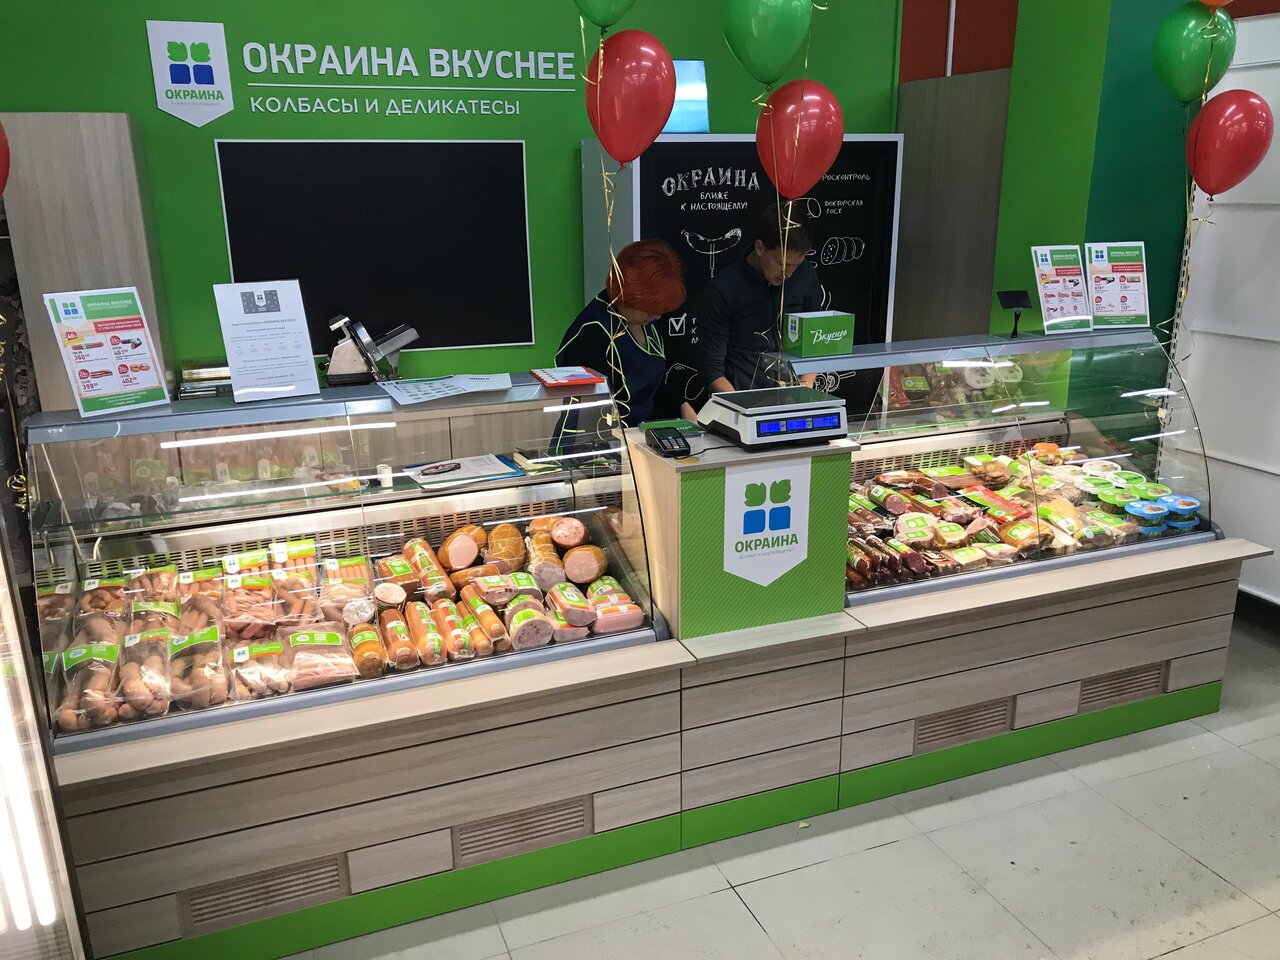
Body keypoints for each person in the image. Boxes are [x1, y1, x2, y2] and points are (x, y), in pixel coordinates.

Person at [555, 240, 695, 427]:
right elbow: (592, 414)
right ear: (627, 295)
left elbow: (653, 383)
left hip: (640, 429)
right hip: (603, 435)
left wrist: (682, 405)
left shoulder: (645, 321)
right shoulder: (593, 333)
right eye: (649, 309)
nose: (657, 315)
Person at [696, 202, 823, 393]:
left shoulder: (805, 274)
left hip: (794, 395)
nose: (788, 273)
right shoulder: (724, 288)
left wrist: (804, 389)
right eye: (782, 263)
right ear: (760, 247)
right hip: (741, 396)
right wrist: (739, 404)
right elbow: (712, 367)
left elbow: (815, 341)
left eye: (796, 265)